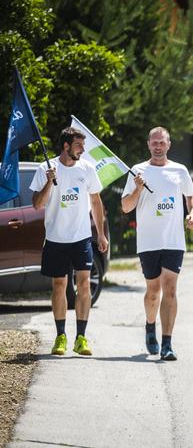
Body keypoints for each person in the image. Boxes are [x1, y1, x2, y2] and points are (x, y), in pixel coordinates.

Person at [121, 127, 193, 361]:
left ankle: (167, 344)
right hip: (148, 241)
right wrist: (138, 189)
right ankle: (149, 325)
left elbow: (190, 196)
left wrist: (192, 212)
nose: (158, 146)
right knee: (153, 291)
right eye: (154, 142)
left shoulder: (179, 170)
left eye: (161, 142)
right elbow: (125, 206)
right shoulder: (138, 171)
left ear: (168, 145)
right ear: (148, 144)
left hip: (173, 240)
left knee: (170, 289)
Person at [30, 127, 108, 356]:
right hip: (56, 238)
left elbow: (95, 202)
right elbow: (37, 204)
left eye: (83, 146)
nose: (83, 150)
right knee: (59, 286)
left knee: (84, 284)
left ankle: (81, 337)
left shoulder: (87, 169)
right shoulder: (46, 168)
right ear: (66, 146)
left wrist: (101, 234)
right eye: (78, 145)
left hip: (81, 237)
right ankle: (60, 336)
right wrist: (49, 182)